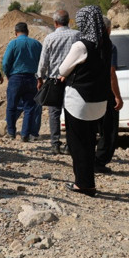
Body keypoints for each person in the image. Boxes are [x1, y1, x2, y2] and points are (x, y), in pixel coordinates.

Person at [59, 6, 112, 197]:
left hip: (79, 102)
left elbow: (62, 70)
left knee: (77, 144)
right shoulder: (106, 45)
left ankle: (84, 184)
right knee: (90, 143)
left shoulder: (81, 46)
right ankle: (87, 181)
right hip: (99, 102)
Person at [37, 10, 79, 154]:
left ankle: (55, 144)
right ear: (68, 21)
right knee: (71, 112)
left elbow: (44, 61)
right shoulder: (77, 35)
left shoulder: (50, 38)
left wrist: (40, 78)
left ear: (55, 23)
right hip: (73, 80)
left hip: (54, 80)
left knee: (54, 113)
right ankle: (70, 145)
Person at [2, 22, 42, 141]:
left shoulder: (13, 43)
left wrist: (8, 74)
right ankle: (25, 134)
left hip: (16, 78)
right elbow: (42, 62)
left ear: (15, 32)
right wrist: (40, 77)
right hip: (32, 78)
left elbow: (5, 62)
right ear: (28, 31)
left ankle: (11, 132)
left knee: (11, 106)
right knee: (29, 107)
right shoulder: (36, 44)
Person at [94, 17, 123, 174]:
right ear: (108, 29)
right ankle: (99, 161)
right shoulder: (109, 47)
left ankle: (87, 160)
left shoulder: (87, 44)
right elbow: (111, 73)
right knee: (108, 129)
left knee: (91, 128)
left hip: (88, 92)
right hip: (105, 92)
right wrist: (117, 96)